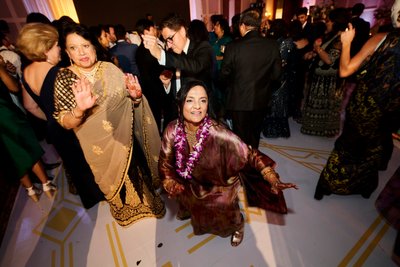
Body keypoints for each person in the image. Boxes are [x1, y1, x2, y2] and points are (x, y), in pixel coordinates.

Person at [158, 79, 297, 247]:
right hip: (191, 181)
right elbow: (165, 163)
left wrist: (270, 176)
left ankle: (238, 226)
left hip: (219, 184)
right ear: (179, 105)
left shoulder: (218, 133)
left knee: (224, 207)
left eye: (203, 100)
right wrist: (169, 181)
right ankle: (189, 210)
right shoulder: (172, 130)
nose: (197, 106)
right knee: (188, 199)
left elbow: (249, 153)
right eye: (190, 100)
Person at [53, 23, 165, 226]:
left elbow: (130, 101)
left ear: (94, 46)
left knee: (138, 172)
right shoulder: (64, 78)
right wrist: (79, 110)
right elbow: (65, 121)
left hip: (127, 137)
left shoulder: (110, 68)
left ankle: (149, 203)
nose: (82, 52)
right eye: (74, 48)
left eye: (85, 45)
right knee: (119, 184)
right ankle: (126, 209)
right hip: (100, 147)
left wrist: (136, 97)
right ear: (67, 52)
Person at [314, 1, 400, 200]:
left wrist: (346, 43)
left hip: (366, 105)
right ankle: (364, 187)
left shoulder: (382, 38)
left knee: (348, 146)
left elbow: (345, 70)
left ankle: (327, 187)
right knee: (372, 149)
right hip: (391, 112)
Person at [17, 22, 104, 208]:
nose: (60, 50)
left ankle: (89, 198)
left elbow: (29, 106)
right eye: (57, 45)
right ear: (46, 48)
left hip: (54, 129)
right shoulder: (60, 73)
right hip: (74, 125)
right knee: (86, 161)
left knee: (73, 165)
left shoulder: (26, 72)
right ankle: (100, 193)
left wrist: (51, 118)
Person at [220, 9, 282, 149]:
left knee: (240, 139)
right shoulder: (272, 45)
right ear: (259, 26)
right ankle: (254, 166)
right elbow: (277, 75)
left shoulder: (233, 47)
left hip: (239, 100)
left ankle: (242, 168)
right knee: (254, 137)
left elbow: (224, 74)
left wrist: (233, 85)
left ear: (242, 26)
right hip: (261, 100)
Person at [0, 54, 56, 202]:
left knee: (12, 155)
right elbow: (13, 87)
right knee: (28, 149)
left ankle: (31, 191)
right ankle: (46, 185)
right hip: (6, 116)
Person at [301, 8, 349, 137]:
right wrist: (313, 52)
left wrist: (317, 48)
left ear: (335, 22)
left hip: (329, 80)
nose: (326, 23)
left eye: (329, 21)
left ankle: (321, 129)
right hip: (321, 77)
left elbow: (329, 59)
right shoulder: (332, 36)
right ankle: (313, 127)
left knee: (326, 104)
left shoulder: (340, 39)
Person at [262, 19, 296, 138]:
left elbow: (283, 61)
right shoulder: (272, 41)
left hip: (280, 75)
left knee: (278, 101)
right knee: (273, 101)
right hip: (273, 74)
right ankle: (271, 129)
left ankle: (275, 129)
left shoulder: (286, 42)